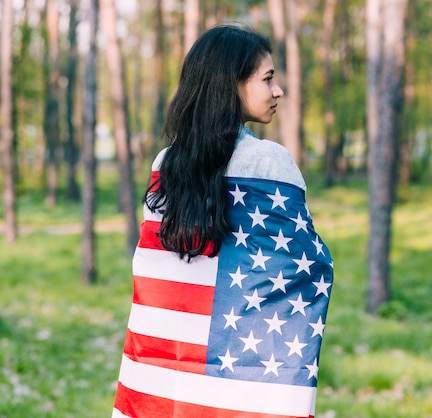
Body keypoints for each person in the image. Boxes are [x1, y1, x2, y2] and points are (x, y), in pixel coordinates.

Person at [112, 25, 334, 418]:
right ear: (231, 84)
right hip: (237, 383)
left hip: (172, 378)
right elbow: (309, 267)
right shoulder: (270, 163)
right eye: (267, 79)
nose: (278, 90)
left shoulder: (166, 163)